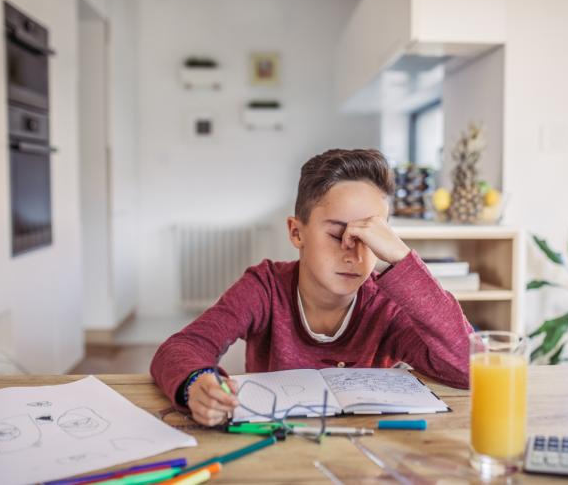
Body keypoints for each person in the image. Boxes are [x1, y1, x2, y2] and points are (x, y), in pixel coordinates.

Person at [151, 149, 473, 426]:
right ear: (296, 233)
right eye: (337, 235)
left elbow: (471, 367)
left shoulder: (386, 304)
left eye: (371, 239)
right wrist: (196, 384)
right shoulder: (264, 288)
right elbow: (179, 349)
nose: (354, 255)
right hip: (277, 451)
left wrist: (403, 260)